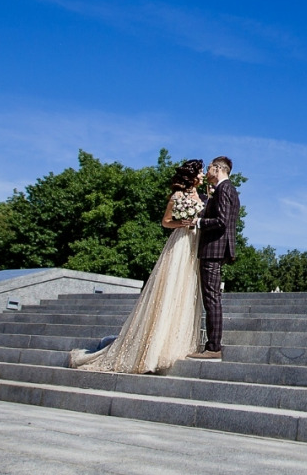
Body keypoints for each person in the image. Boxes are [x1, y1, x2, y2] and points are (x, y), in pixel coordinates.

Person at [69, 159, 206, 373]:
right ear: (192, 175)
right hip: (180, 242)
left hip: (195, 244)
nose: (203, 175)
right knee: (170, 288)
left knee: (186, 292)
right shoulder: (177, 197)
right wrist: (182, 223)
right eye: (200, 172)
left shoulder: (204, 196)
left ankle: (176, 342)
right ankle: (153, 348)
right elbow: (165, 221)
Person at [191, 155, 239, 359]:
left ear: (218, 169)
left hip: (213, 249)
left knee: (211, 298)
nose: (207, 171)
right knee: (212, 297)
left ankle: (213, 347)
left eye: (209, 167)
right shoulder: (225, 190)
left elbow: (221, 221)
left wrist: (199, 222)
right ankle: (212, 345)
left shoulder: (225, 188)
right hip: (216, 249)